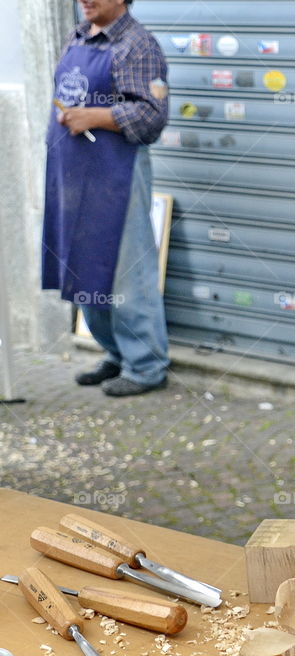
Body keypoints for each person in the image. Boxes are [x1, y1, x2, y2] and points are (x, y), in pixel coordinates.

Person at [42, 0, 170, 396]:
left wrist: (94, 117)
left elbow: (152, 116)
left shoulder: (138, 44)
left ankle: (146, 365)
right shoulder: (77, 36)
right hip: (73, 172)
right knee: (84, 267)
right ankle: (115, 353)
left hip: (116, 172)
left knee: (127, 273)